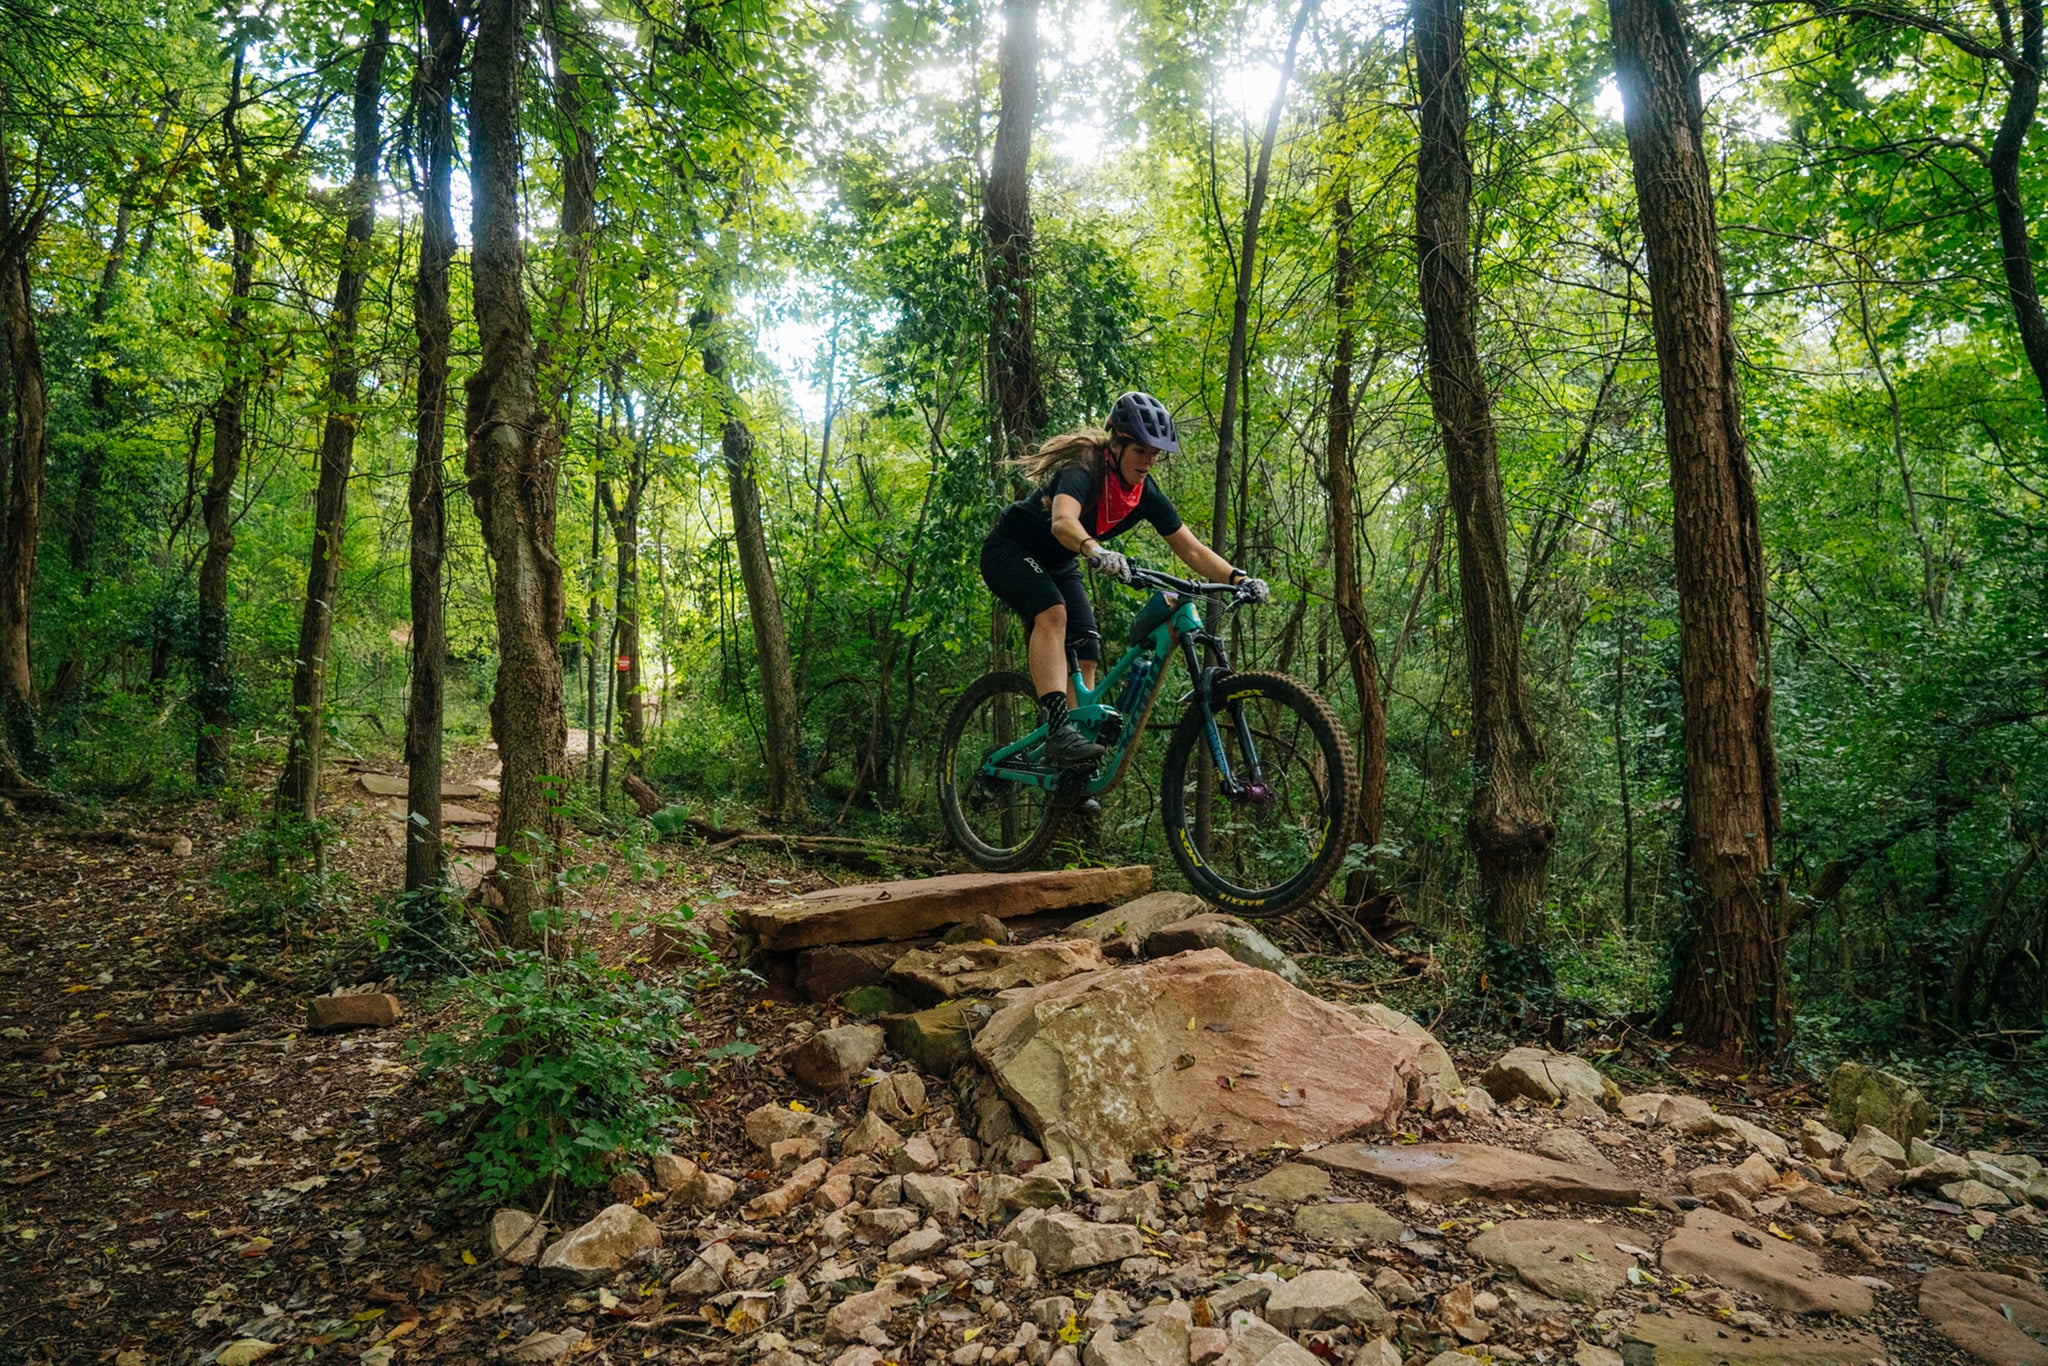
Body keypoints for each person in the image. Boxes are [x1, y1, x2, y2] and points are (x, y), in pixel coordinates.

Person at [979, 390, 1269, 767]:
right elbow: (1063, 521)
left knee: (1087, 651)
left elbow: (1192, 550)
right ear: (1116, 443)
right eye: (1141, 451)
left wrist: (1238, 577)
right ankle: (1057, 732)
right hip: (1011, 549)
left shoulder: (1143, 491)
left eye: (1155, 454)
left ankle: (1071, 766)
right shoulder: (1084, 467)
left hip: (1063, 560)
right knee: (1053, 613)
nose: (1148, 462)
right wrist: (1094, 550)